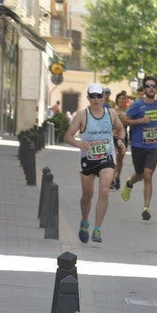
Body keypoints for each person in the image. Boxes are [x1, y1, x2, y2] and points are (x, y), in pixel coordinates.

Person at [63, 83, 126, 243]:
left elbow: (121, 129)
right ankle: (85, 222)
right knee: (87, 196)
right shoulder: (82, 115)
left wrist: (120, 140)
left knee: (104, 191)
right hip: (88, 159)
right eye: (93, 96)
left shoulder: (111, 113)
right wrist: (79, 144)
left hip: (106, 157)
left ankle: (97, 229)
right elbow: (68, 136)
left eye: (99, 96)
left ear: (104, 97)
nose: (96, 99)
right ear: (88, 98)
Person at [120, 75, 157, 220]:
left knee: (148, 175)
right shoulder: (137, 105)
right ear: (144, 89)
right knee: (139, 175)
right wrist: (140, 121)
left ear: (156, 89)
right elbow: (124, 119)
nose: (151, 88)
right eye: (148, 86)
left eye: (153, 86)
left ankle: (146, 208)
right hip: (138, 146)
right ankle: (129, 183)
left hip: (153, 146)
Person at [111, 90, 130, 190]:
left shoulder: (128, 113)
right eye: (119, 99)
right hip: (113, 138)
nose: (121, 101)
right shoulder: (112, 112)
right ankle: (112, 179)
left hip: (123, 138)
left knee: (120, 160)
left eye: (123, 99)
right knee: (114, 158)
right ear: (117, 100)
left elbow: (129, 125)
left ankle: (117, 177)